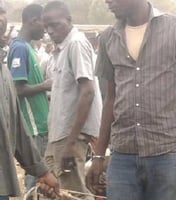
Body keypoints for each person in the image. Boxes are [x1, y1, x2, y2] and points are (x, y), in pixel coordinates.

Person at [86, 0, 176, 200]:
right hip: (122, 156)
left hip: (165, 154)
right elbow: (110, 99)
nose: (106, 1)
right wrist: (98, 156)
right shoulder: (108, 38)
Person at [42, 1, 102, 199]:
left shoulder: (75, 43)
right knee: (59, 192)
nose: (50, 30)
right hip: (59, 135)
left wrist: (70, 142)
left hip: (70, 136)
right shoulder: (61, 50)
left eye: (55, 24)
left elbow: (88, 92)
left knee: (74, 194)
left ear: (69, 20)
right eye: (47, 26)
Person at [0, 6, 59, 200]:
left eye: (2, 11)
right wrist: (45, 85)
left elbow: (15, 125)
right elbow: (21, 89)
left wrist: (42, 171)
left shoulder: (4, 71)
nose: (1, 18)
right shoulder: (19, 48)